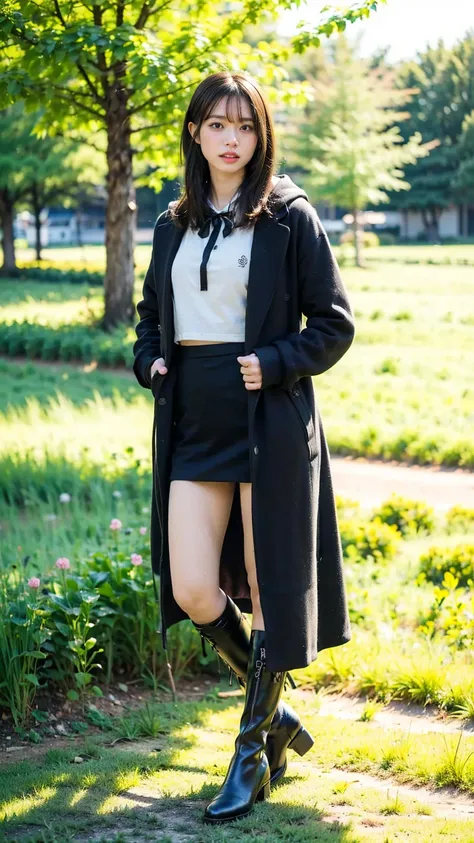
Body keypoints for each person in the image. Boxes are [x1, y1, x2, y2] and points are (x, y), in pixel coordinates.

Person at [132, 70, 355, 825]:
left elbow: (334, 324)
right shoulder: (172, 222)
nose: (232, 139)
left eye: (246, 126)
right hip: (194, 421)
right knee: (193, 588)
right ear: (195, 133)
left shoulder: (289, 216)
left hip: (268, 421)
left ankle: (250, 752)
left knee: (267, 589)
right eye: (218, 125)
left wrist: (278, 360)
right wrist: (149, 361)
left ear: (261, 136)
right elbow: (150, 317)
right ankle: (277, 717)